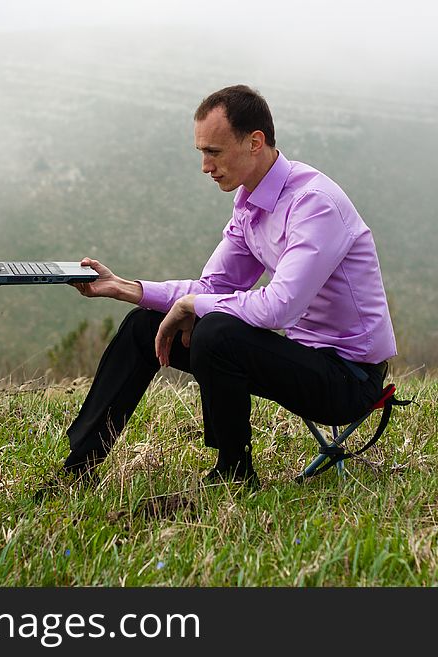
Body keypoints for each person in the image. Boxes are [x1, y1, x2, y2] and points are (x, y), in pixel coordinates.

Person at [63, 84, 396, 485]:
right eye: (202, 152)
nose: (205, 165)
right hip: (298, 356)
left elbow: (280, 307)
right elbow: (211, 287)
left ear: (255, 142)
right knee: (143, 324)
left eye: (214, 152)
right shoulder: (250, 205)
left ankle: (233, 471)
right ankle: (80, 465)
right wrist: (125, 287)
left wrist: (194, 306)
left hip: (347, 378)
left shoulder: (314, 204)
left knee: (217, 332)